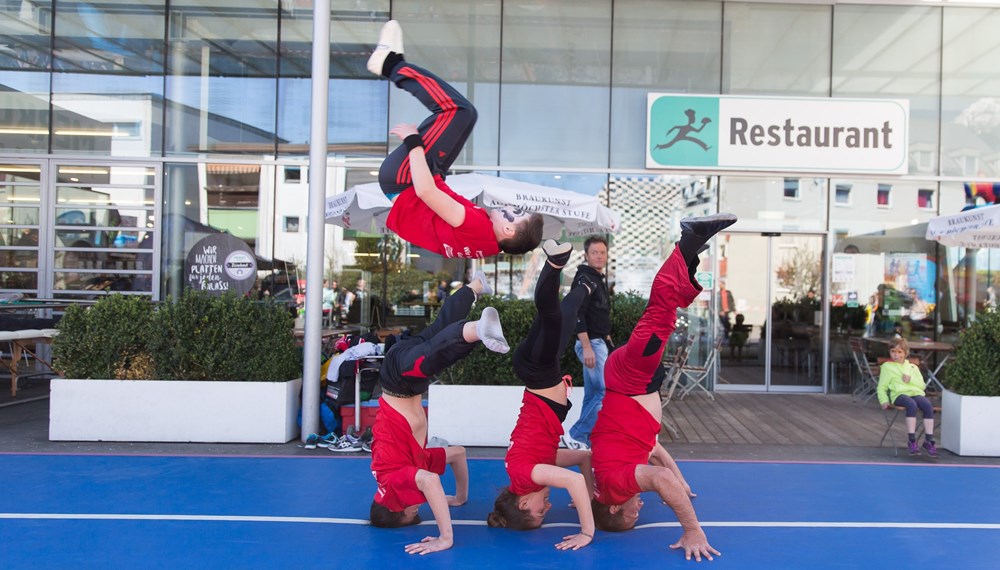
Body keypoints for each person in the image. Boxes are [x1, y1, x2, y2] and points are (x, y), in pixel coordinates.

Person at [589, 213, 735, 562]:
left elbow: (658, 479)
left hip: (630, 379)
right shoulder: (610, 478)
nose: (638, 509)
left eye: (631, 514)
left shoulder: (614, 486)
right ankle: (694, 244)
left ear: (612, 508)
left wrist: (692, 529)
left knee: (660, 312)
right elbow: (656, 454)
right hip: (632, 382)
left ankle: (690, 238)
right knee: (663, 314)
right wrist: (682, 482)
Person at [368, 20, 544, 259]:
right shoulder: (485, 241)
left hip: (406, 180)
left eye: (515, 212)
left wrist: (413, 143)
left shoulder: (477, 226)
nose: (509, 207)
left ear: (508, 229)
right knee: (464, 115)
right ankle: (395, 63)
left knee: (460, 112)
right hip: (420, 179)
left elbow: (426, 192)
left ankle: (391, 65)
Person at [369, 271, 508, 554]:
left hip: (398, 379)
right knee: (440, 329)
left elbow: (430, 482)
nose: (419, 508)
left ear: (399, 509)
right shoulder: (412, 463)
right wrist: (459, 497)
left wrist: (445, 537)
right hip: (404, 378)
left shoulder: (393, 482)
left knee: (434, 353)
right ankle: (476, 285)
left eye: (413, 513)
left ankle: (477, 329)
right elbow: (457, 453)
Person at [486, 239, 596, 550]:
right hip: (534, 373)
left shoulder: (528, 475)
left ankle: (555, 263)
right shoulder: (537, 466)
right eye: (547, 515)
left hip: (540, 376)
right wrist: (588, 495)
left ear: (522, 504)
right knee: (561, 319)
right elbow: (584, 459)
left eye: (538, 512)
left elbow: (571, 480)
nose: (547, 509)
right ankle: (585, 284)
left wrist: (587, 531)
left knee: (552, 318)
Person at [566, 235, 611, 449]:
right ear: (586, 255)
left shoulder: (596, 278)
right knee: (604, 391)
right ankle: (577, 434)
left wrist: (606, 335)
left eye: (602, 252)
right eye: (595, 252)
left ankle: (582, 439)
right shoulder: (585, 279)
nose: (599, 256)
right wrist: (586, 347)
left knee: (593, 393)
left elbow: (597, 313)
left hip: (598, 341)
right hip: (590, 344)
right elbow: (577, 313)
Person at [877, 337, 937, 458]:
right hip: (899, 395)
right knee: (911, 405)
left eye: (899, 352)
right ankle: (912, 440)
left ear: (905, 353)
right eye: (893, 351)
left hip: (915, 392)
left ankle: (928, 441)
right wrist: (884, 400)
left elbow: (922, 385)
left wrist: (911, 380)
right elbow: (881, 387)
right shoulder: (887, 367)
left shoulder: (912, 368)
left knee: (927, 405)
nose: (896, 355)